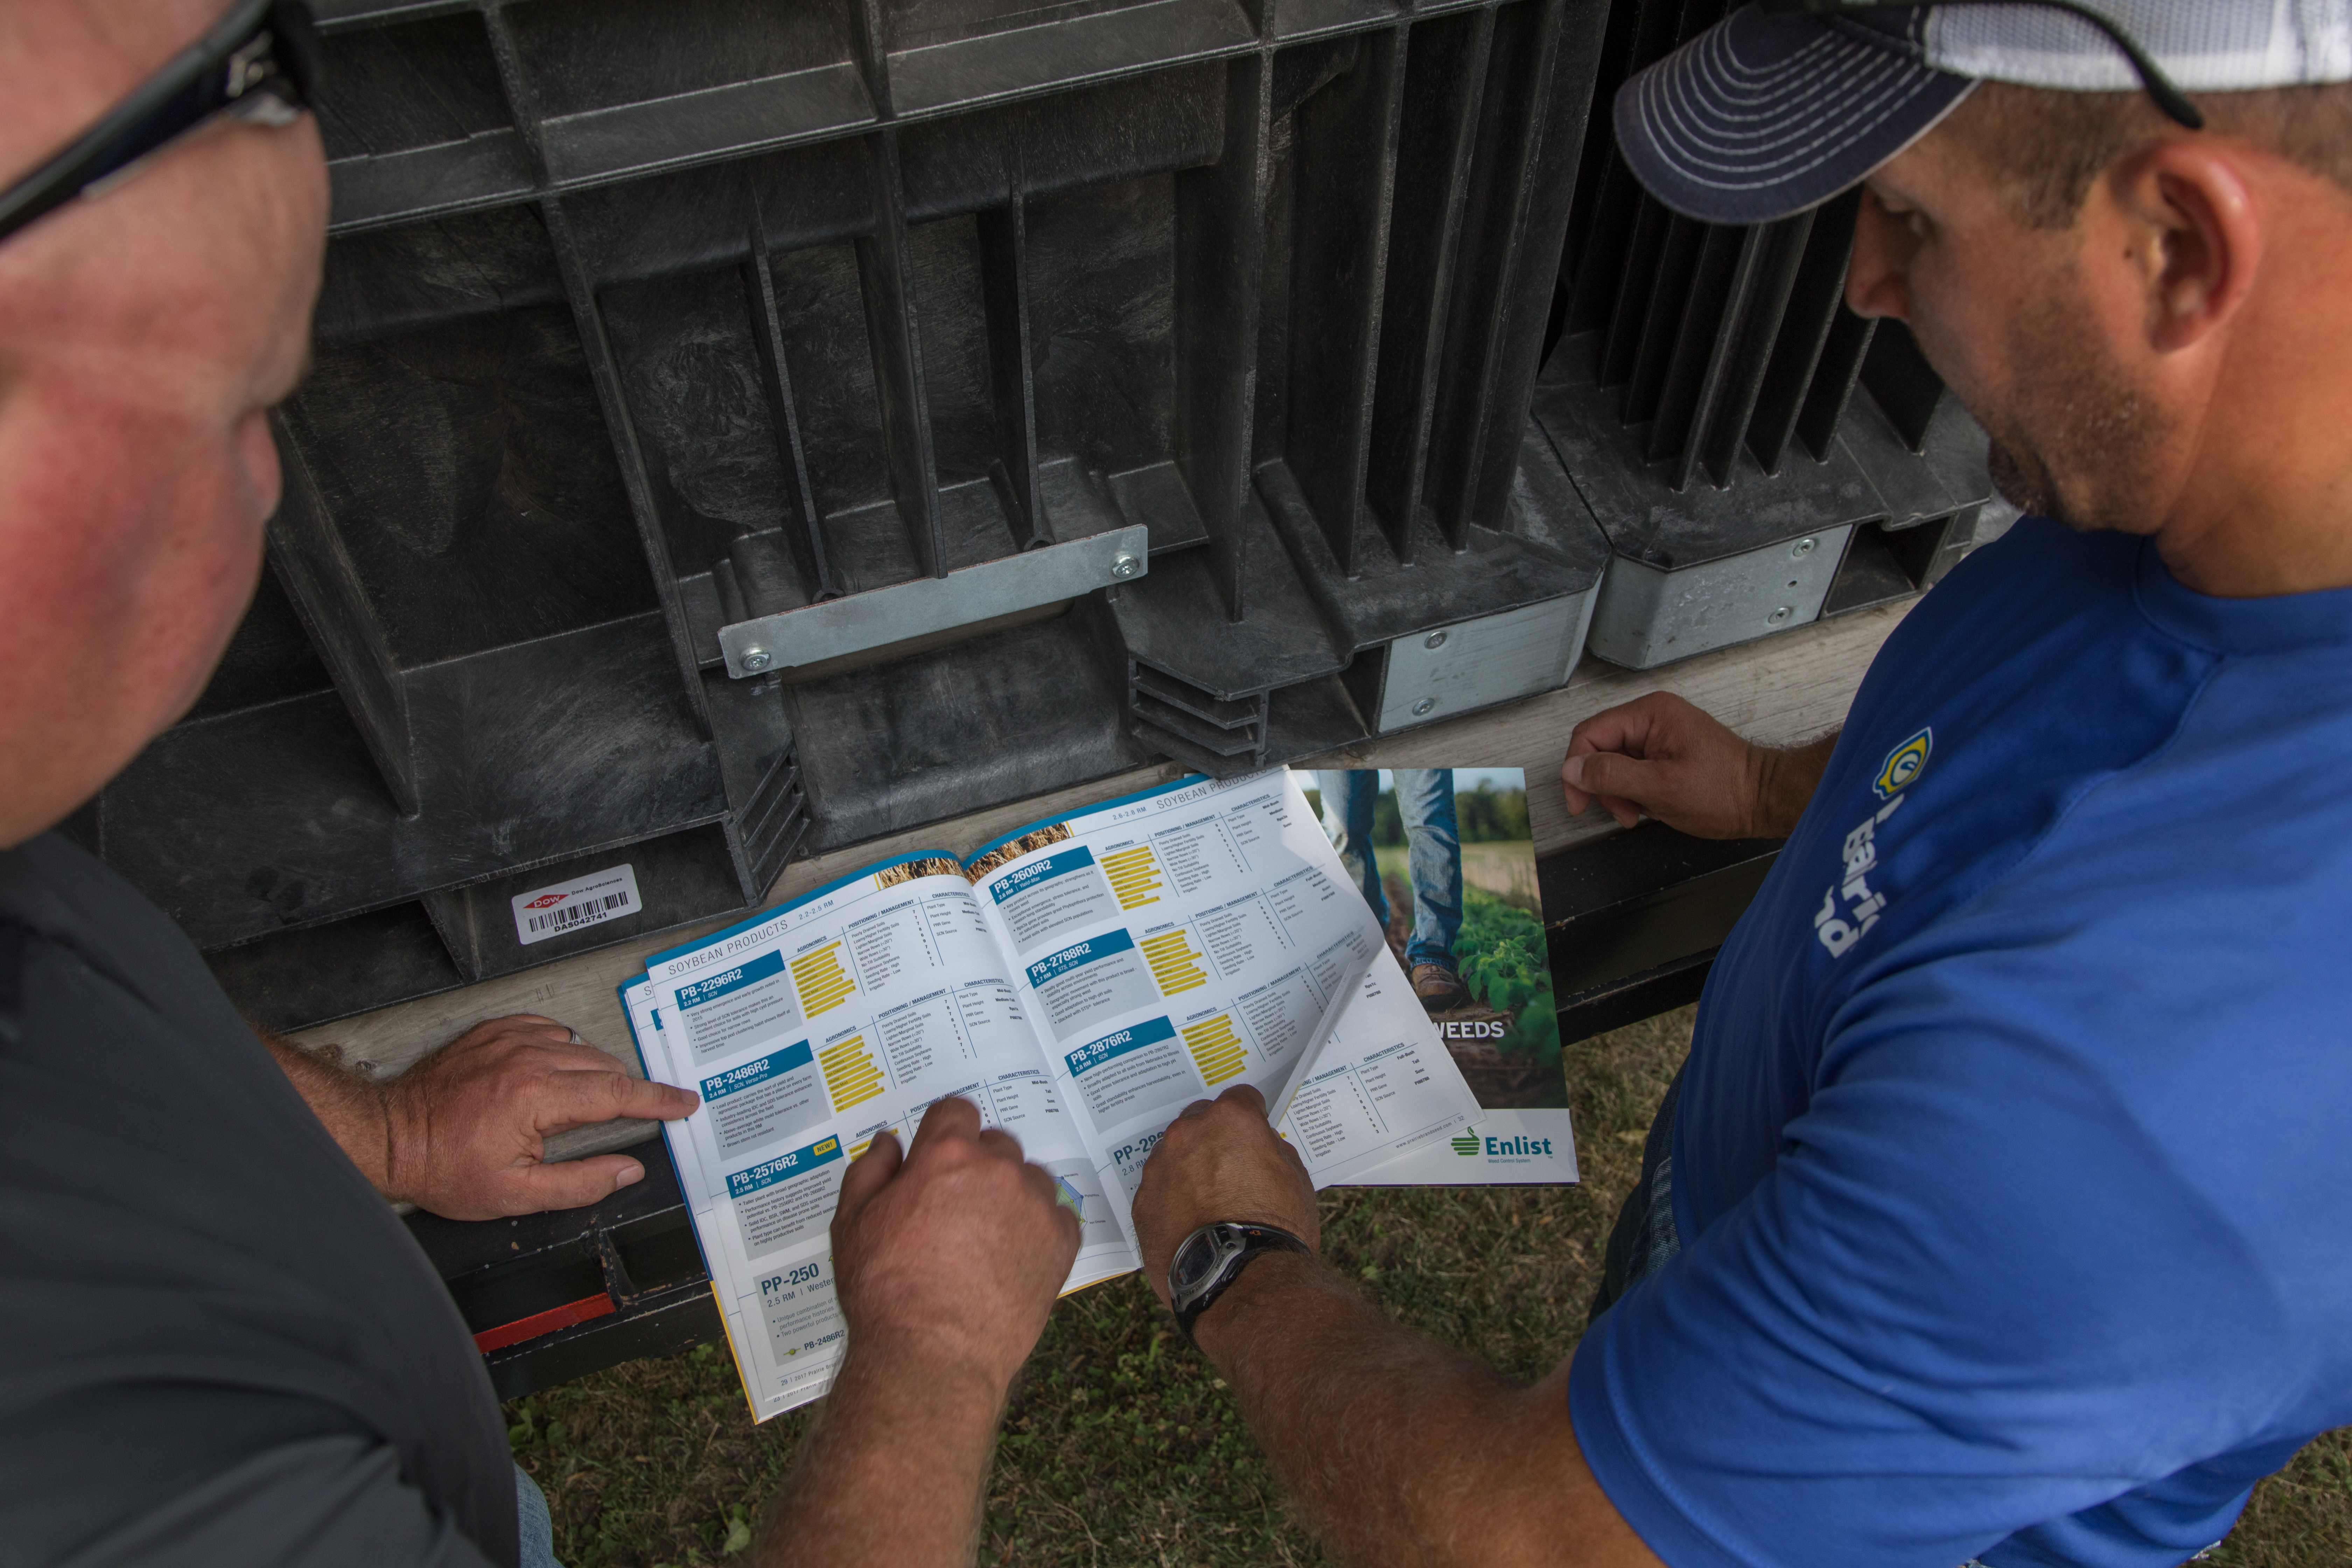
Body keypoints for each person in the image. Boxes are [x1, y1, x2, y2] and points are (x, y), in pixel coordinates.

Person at [1135, 5, 2352, 1566]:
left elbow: (1529, 1533)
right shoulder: (2202, 493)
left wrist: (1235, 1265)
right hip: (1752, 1212)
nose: (1862, 280)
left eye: (1908, 215)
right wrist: (1789, 792)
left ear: (2179, 246)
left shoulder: (2135, 1091)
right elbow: (2048, 757)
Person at [0, 4, 1078, 1565]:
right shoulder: (120, 1468)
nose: (269, 481)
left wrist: (373, 1133)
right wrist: (934, 1342)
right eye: (230, 410)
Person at [1314, 769, 1469, 1012]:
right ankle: (1368, 930)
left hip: (1413, 732)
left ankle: (1433, 955)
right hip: (1337, 731)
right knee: (1343, 827)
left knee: (1429, 819)